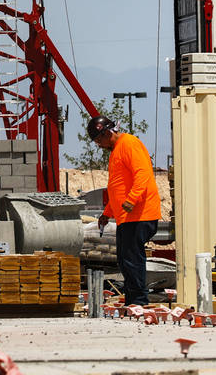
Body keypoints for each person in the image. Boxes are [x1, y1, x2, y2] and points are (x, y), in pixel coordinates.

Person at [90, 116, 160, 305]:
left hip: (139, 214)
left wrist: (132, 199)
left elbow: (143, 173)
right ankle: (133, 299)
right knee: (124, 259)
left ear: (106, 133)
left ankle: (139, 302)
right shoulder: (116, 151)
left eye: (98, 141)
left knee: (132, 259)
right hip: (126, 216)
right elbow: (117, 186)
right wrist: (107, 213)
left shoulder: (129, 143)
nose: (99, 145)